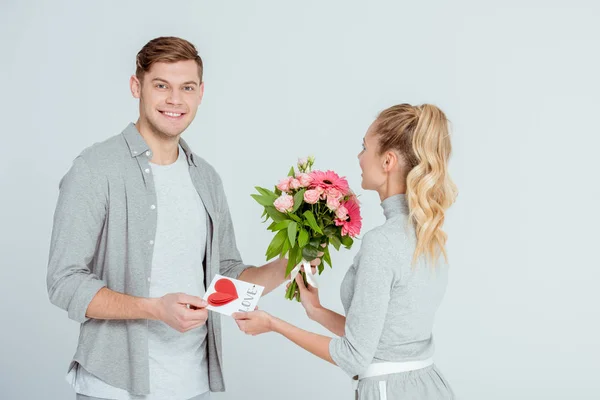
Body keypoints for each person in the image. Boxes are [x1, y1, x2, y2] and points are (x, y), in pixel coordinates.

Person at [46, 36, 297, 400]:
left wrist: (291, 263)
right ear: (137, 86)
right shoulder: (95, 169)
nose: (175, 100)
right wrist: (154, 309)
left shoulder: (206, 178)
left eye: (187, 88)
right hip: (115, 387)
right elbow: (64, 281)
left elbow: (225, 279)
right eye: (161, 85)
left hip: (194, 386)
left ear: (200, 92)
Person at [233, 103, 458, 399]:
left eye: (364, 147)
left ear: (388, 161)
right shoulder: (429, 234)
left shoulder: (383, 242)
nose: (359, 157)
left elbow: (354, 357)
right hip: (427, 386)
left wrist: (274, 324)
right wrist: (315, 310)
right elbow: (381, 341)